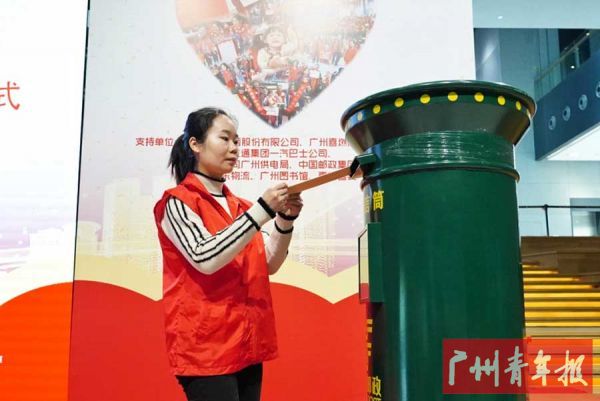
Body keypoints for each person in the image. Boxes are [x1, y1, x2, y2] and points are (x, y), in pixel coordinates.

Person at [153, 107, 303, 401]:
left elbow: (268, 263)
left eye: (237, 141)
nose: (234, 148)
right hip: (205, 349)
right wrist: (263, 210)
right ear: (195, 144)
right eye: (224, 138)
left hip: (246, 342)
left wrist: (285, 220)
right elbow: (205, 257)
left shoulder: (242, 207)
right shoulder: (177, 202)